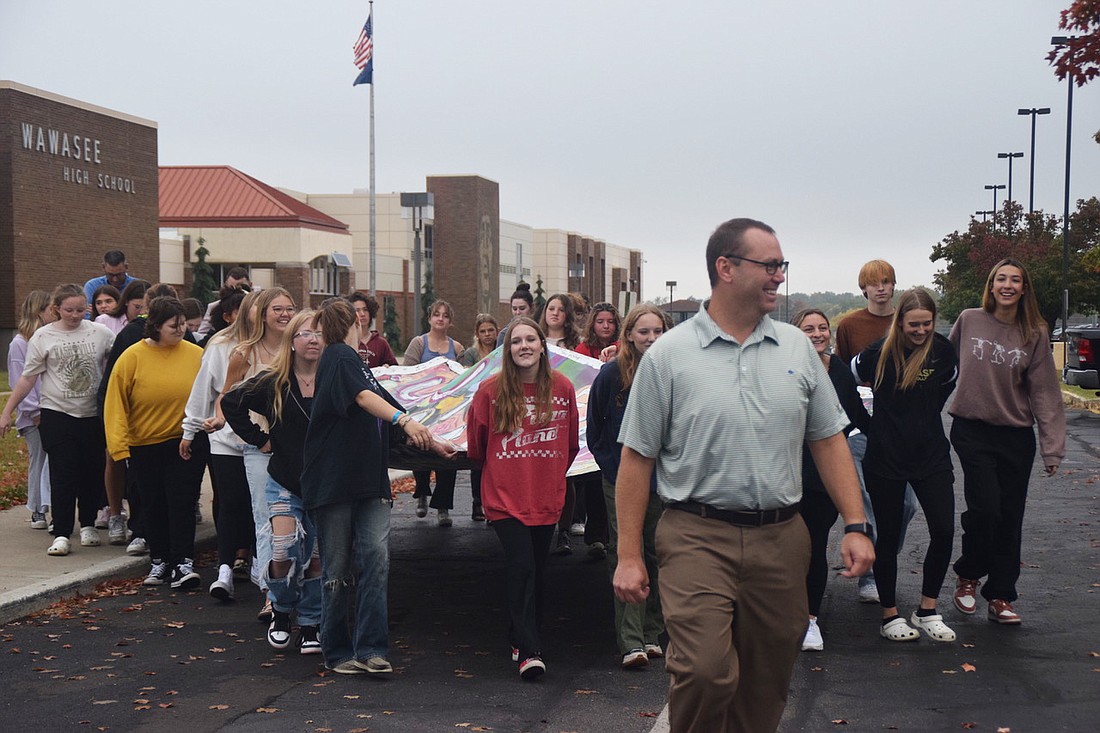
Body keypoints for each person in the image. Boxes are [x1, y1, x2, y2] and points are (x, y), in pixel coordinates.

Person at [612, 218, 873, 732]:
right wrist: (627, 556)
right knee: (705, 671)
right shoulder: (668, 356)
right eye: (769, 265)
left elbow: (828, 440)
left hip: (782, 539)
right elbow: (636, 458)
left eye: (781, 265)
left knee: (767, 677)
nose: (778, 275)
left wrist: (857, 523)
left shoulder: (799, 350)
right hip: (695, 535)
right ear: (725, 268)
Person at [302, 298, 451, 675]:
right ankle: (336, 652)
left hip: (369, 483)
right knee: (336, 569)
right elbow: (366, 400)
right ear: (355, 322)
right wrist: (404, 421)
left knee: (376, 561)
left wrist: (432, 440)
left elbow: (385, 401)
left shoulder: (360, 366)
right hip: (334, 483)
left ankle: (371, 649)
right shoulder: (338, 357)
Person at [949, 258, 1065, 625]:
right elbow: (941, 366)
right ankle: (968, 576)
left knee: (1010, 516)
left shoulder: (1034, 332)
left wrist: (1052, 446)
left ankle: (1001, 595)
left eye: (1015, 280)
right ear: (991, 284)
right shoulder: (970, 320)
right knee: (985, 508)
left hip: (1015, 435)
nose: (1008, 285)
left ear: (1024, 288)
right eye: (1001, 278)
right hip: (972, 430)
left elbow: (1045, 392)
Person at [466, 317, 579, 680]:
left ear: (543, 346)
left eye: (531, 339)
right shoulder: (490, 391)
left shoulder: (562, 388)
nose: (525, 346)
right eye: (517, 341)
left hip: (546, 496)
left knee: (539, 572)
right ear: (507, 349)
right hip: (504, 497)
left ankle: (519, 635)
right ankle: (530, 652)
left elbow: (571, 445)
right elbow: (478, 446)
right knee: (523, 566)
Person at [852, 288, 958, 643]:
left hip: (931, 456)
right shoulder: (876, 354)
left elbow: (945, 388)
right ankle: (890, 615)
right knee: (888, 534)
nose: (921, 330)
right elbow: (846, 382)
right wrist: (868, 426)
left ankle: (927, 609)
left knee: (943, 529)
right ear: (901, 321)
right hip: (886, 459)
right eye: (914, 324)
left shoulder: (943, 351)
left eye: (926, 323)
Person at [223, 310, 324, 653]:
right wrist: (258, 439)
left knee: (315, 558)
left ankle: (311, 623)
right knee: (283, 547)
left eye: (320, 334)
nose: (313, 339)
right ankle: (281, 609)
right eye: (305, 334)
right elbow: (231, 401)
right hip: (283, 480)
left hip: (325, 484)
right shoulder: (275, 381)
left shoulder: (335, 378)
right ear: (292, 341)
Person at [1, 284, 116, 557]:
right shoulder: (43, 336)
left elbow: (117, 366)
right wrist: (8, 411)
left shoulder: (100, 333)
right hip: (57, 413)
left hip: (92, 414)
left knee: (91, 471)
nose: (75, 315)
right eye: (68, 310)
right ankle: (62, 531)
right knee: (62, 474)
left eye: (80, 309)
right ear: (56, 309)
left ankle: (87, 523)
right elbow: (28, 377)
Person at [587, 304, 671, 669]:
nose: (651, 339)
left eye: (657, 332)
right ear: (629, 336)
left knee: (657, 553)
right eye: (643, 332)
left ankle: (653, 633)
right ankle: (631, 641)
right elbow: (596, 430)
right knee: (626, 552)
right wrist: (614, 469)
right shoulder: (610, 375)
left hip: (663, 482)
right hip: (621, 480)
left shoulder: (672, 373)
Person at [104, 297, 206, 589]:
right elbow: (116, 404)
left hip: (185, 441)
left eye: (183, 324)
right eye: (174, 325)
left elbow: (209, 393)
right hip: (144, 444)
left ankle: (183, 561)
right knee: (153, 503)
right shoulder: (132, 357)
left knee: (182, 501)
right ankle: (159, 560)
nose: (181, 329)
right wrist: (119, 446)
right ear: (156, 326)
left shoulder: (196, 354)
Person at [835, 259, 918, 604]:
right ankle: (870, 576)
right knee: (866, 502)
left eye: (887, 281)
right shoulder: (851, 325)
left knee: (905, 505)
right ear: (864, 288)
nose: (881, 288)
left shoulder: (907, 323)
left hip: (902, 429)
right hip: (860, 427)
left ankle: (884, 558)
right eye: (875, 283)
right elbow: (840, 374)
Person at [791, 308, 871, 652]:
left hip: (823, 477)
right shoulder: (785, 369)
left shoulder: (837, 369)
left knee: (813, 547)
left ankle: (810, 621)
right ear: (796, 334)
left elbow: (856, 416)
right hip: (786, 473)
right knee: (786, 551)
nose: (817, 334)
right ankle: (779, 615)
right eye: (808, 329)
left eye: (822, 328)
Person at [215, 286, 296, 623]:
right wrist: (255, 437)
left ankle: (298, 590)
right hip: (261, 450)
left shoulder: (298, 349)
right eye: (277, 309)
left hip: (296, 450)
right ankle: (269, 594)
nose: (285, 314)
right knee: (265, 519)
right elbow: (227, 397)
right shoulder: (244, 353)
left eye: (290, 308)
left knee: (298, 523)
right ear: (263, 314)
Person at [181, 289, 263, 602]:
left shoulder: (277, 343)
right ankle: (225, 567)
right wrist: (190, 430)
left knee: (260, 504)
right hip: (226, 437)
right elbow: (205, 391)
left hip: (264, 438)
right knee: (230, 501)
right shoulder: (219, 345)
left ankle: (259, 563)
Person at [403, 299, 464, 527]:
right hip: (421, 410)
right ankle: (421, 492)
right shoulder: (418, 344)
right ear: (429, 319)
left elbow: (462, 378)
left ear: (450, 321)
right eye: (436, 314)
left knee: (449, 457)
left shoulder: (456, 348)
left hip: (448, 412)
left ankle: (443, 506)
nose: (440, 318)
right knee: (421, 451)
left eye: (445, 315)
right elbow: (407, 374)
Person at [6, 290, 56, 530]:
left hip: (51, 410)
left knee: (52, 462)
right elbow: (19, 380)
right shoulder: (19, 343)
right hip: (33, 415)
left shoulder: (48, 338)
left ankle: (50, 504)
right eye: (51, 309)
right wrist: (33, 410)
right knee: (39, 459)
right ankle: (37, 508)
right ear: (39, 312)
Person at [459, 313, 500, 521]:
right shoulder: (471, 354)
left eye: (490, 330)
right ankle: (477, 501)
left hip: (498, 405)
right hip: (476, 404)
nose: (487, 335)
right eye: (483, 331)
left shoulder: (501, 351)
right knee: (478, 456)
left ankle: (494, 505)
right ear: (477, 333)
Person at [195, 266, 252, 340]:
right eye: (231, 287)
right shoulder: (215, 306)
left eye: (242, 287)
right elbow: (202, 335)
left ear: (250, 285)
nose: (237, 292)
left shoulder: (259, 305)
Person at [348, 291, 398, 369]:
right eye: (357, 310)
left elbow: (395, 369)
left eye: (365, 309)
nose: (362, 314)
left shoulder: (381, 343)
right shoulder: (345, 342)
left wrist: (387, 368)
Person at [83, 249, 135, 318]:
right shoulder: (92, 286)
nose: (115, 279)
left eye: (119, 275)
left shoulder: (135, 286)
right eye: (110, 275)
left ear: (126, 267)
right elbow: (86, 315)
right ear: (103, 267)